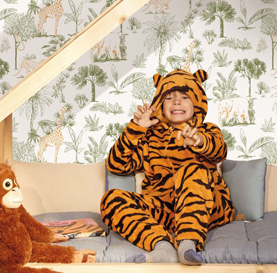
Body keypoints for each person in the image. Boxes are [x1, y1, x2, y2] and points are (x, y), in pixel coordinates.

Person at [100, 68, 237, 265]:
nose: (177, 102)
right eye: (169, 98)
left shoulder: (207, 130)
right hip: (164, 212)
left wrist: (200, 141)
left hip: (205, 208)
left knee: (192, 169)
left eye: (184, 97)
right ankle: (163, 247)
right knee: (111, 199)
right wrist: (136, 128)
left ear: (196, 103)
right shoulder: (150, 138)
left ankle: (188, 244)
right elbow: (116, 165)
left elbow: (220, 151)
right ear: (160, 106)